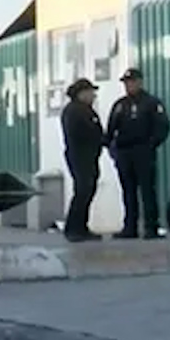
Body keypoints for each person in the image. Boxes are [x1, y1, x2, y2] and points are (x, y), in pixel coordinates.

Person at [105, 66, 170, 240]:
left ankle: (151, 227)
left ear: (140, 82)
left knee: (148, 190)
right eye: (127, 83)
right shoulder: (120, 105)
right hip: (125, 153)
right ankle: (130, 227)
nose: (129, 86)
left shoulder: (151, 103)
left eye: (132, 82)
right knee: (128, 191)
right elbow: (111, 128)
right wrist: (112, 148)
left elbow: (162, 126)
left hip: (143, 151)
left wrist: (151, 144)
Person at [59, 78, 104, 242]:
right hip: (81, 156)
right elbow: (84, 133)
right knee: (83, 190)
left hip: (87, 155)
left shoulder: (85, 110)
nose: (94, 95)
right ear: (82, 94)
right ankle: (74, 228)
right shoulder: (75, 111)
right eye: (91, 92)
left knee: (87, 190)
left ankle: (81, 227)